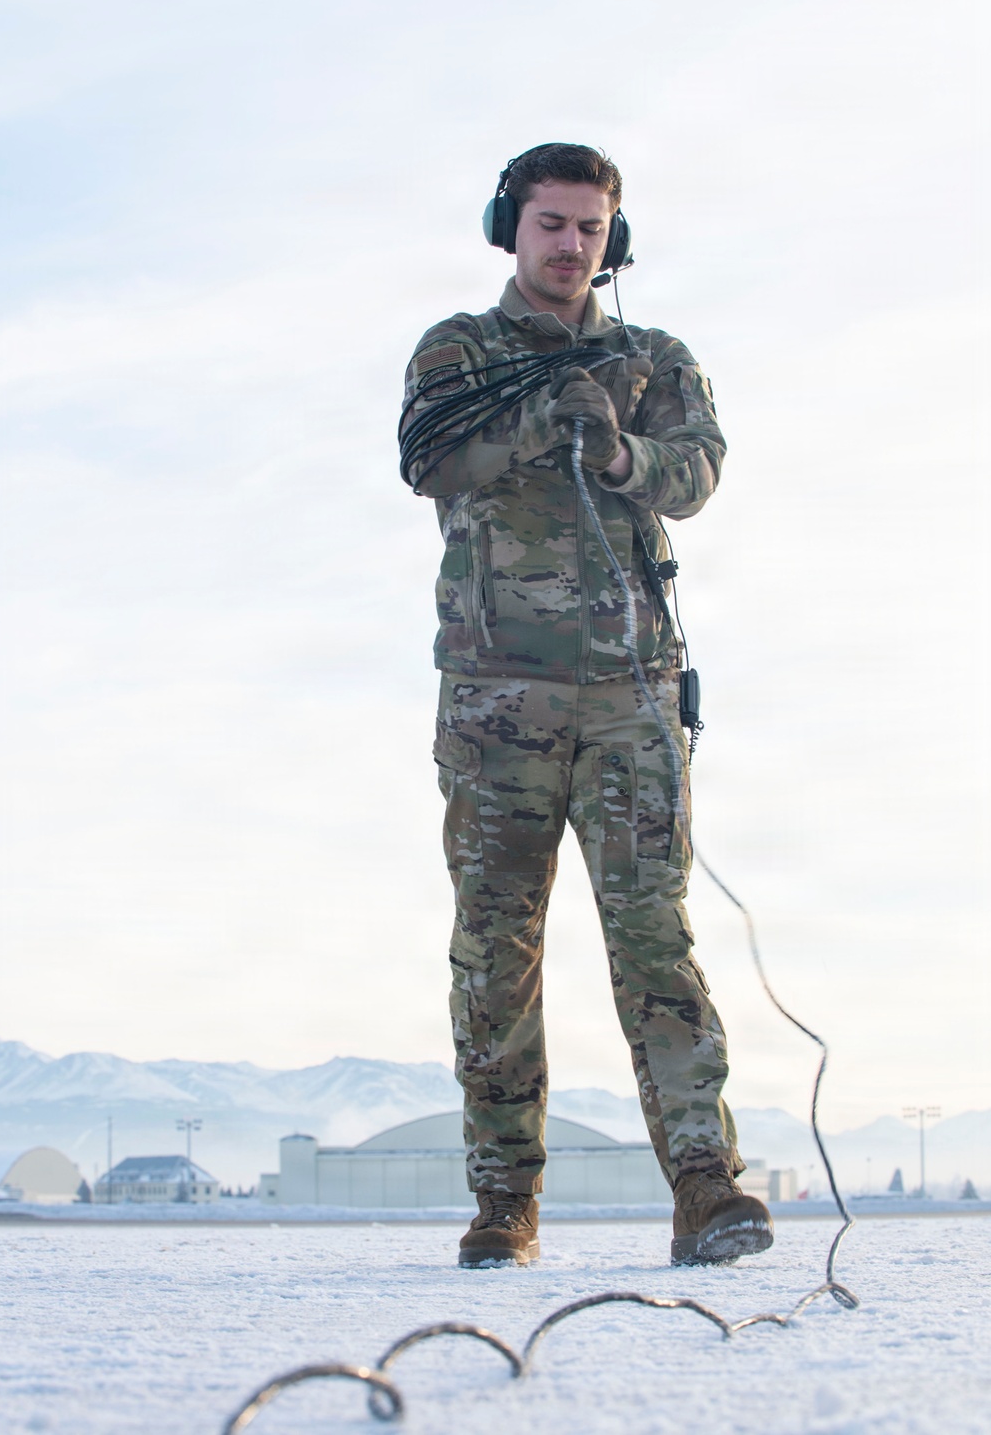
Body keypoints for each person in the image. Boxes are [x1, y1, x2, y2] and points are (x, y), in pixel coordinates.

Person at [400, 142, 773, 1269]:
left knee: (656, 939)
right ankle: (503, 1202)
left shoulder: (653, 359)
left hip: (630, 699)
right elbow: (431, 460)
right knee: (494, 952)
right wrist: (540, 421)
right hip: (495, 700)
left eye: (591, 229)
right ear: (508, 228)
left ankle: (705, 1187)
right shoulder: (460, 352)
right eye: (551, 224)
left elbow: (697, 472)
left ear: (615, 240)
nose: (571, 246)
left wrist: (619, 453)